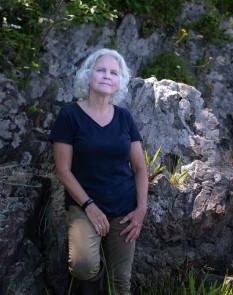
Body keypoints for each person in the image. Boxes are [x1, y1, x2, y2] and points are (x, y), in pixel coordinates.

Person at [48, 48, 148, 295]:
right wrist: (89, 206)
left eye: (114, 72)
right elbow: (63, 170)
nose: (106, 76)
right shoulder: (69, 115)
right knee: (83, 266)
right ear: (88, 75)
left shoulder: (125, 118)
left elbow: (139, 167)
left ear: (120, 82)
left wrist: (141, 210)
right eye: (101, 70)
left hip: (124, 206)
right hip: (84, 204)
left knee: (121, 281)